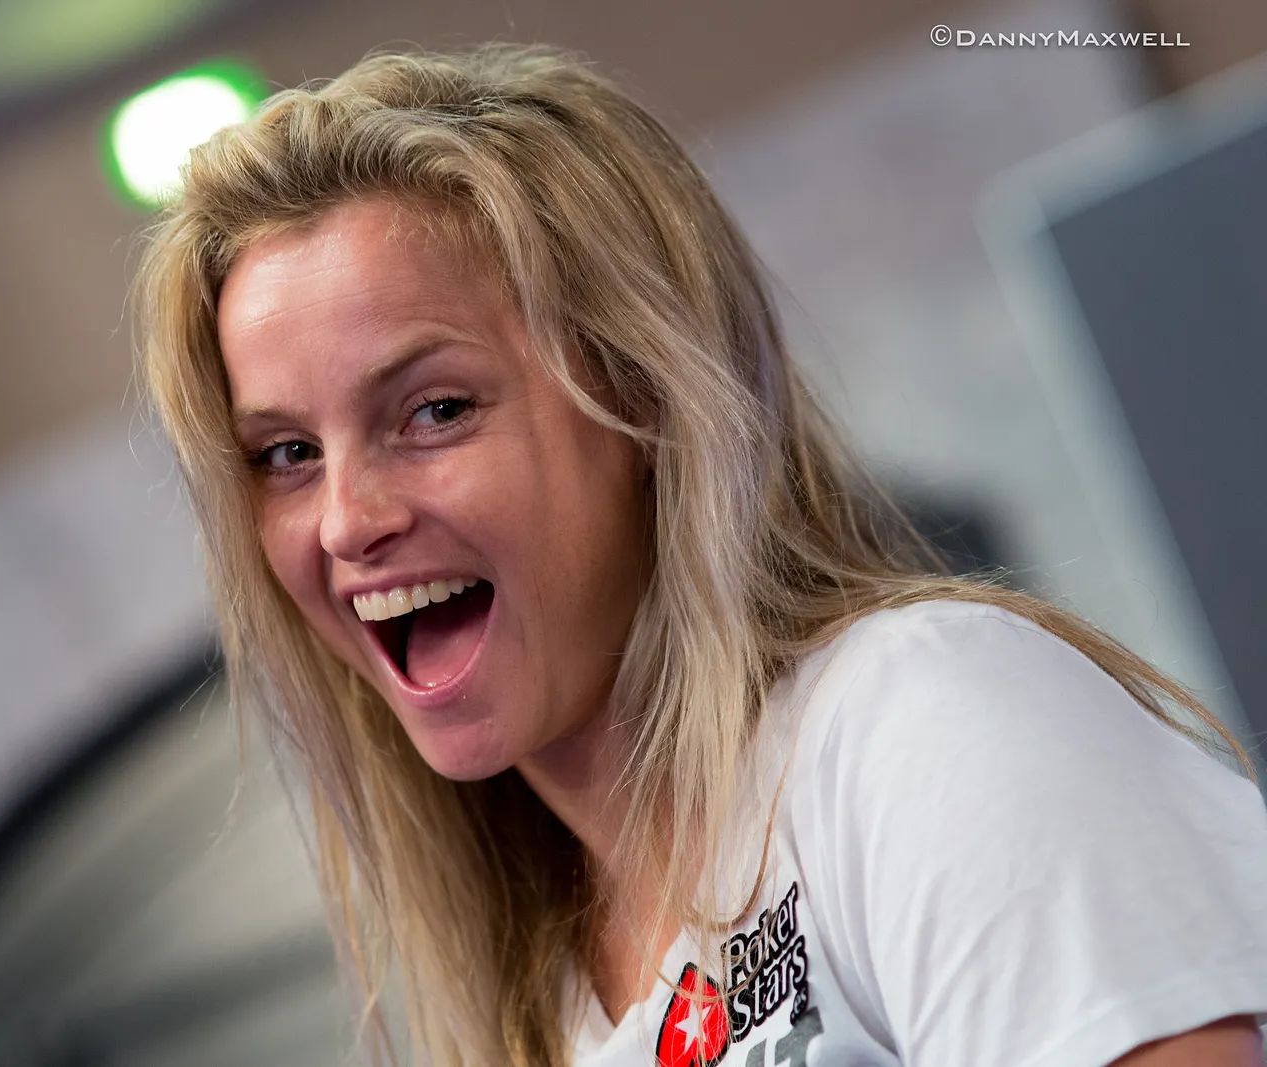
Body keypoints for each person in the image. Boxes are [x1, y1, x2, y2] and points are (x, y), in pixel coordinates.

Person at [136, 44, 1267, 1067]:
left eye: (435, 410)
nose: (346, 520)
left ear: (644, 395)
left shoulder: (920, 723)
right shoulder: (547, 1005)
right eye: (285, 453)